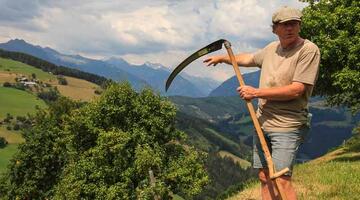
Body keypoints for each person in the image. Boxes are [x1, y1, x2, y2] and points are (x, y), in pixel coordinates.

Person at [203, 6, 320, 200]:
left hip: (287, 125)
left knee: (282, 179)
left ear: (299, 26)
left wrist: (256, 92)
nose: (289, 28)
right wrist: (223, 58)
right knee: (265, 176)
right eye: (284, 25)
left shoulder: (308, 50)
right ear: (275, 29)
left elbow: (297, 89)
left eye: (293, 24)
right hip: (262, 122)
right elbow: (249, 58)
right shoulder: (271, 49)